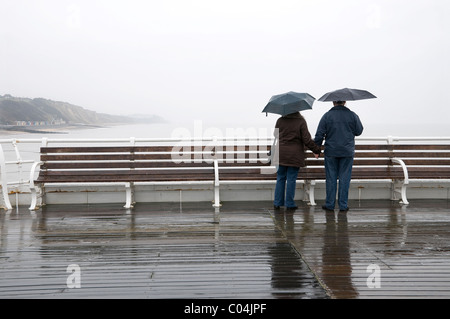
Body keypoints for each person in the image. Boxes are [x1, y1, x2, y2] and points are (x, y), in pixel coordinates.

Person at [314, 101, 364, 212]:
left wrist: (316, 149)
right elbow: (359, 131)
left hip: (331, 152)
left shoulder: (327, 116)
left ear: (333, 102)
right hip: (347, 152)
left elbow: (319, 134)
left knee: (331, 178)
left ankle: (330, 204)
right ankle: (343, 205)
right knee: (345, 179)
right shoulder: (352, 115)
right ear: (345, 102)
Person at [273, 111, 321, 211]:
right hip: (294, 155)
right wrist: (316, 150)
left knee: (280, 178)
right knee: (291, 179)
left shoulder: (280, 120)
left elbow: (275, 135)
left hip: (280, 154)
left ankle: (277, 203)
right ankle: (289, 203)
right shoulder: (301, 121)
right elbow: (307, 139)